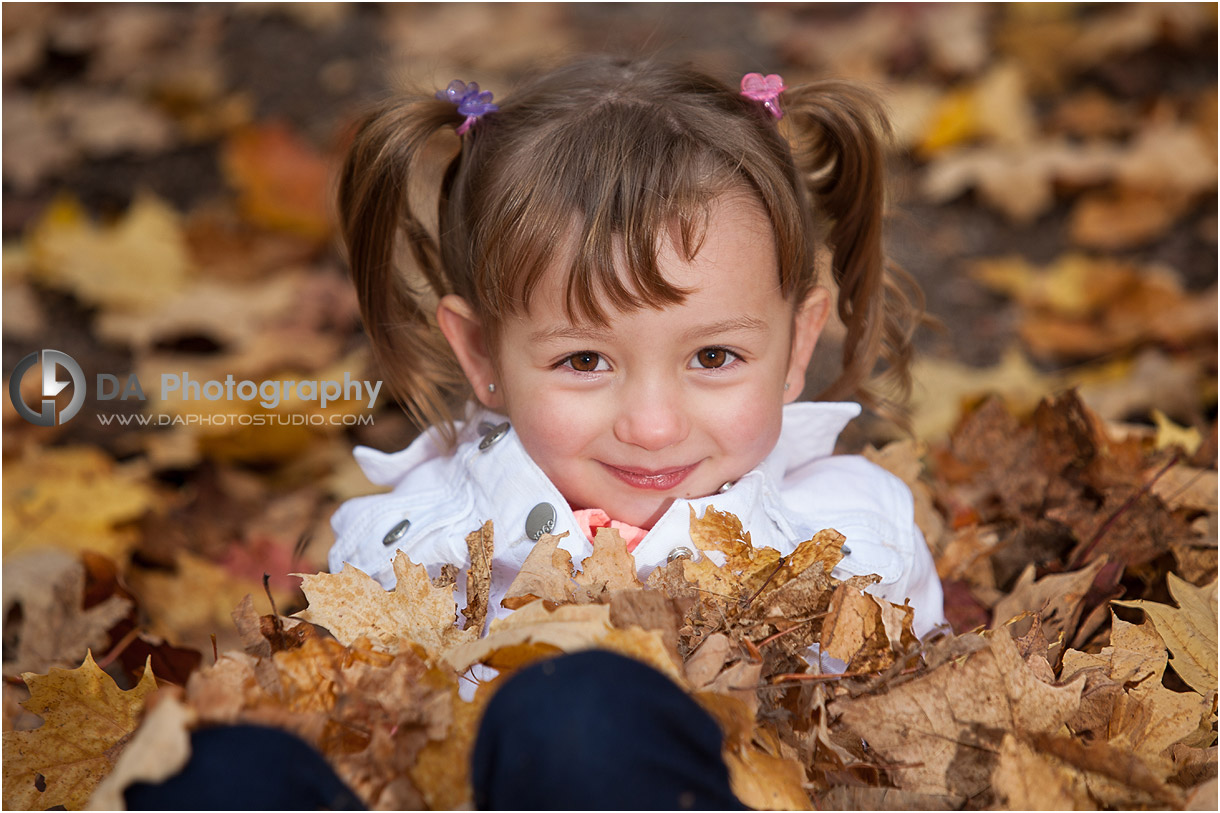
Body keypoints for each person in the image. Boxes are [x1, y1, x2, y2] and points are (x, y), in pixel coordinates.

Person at [329, 56, 944, 639]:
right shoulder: (412, 556)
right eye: (585, 360)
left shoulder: (859, 544)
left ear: (797, 345)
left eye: (712, 357)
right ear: (481, 355)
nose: (652, 428)